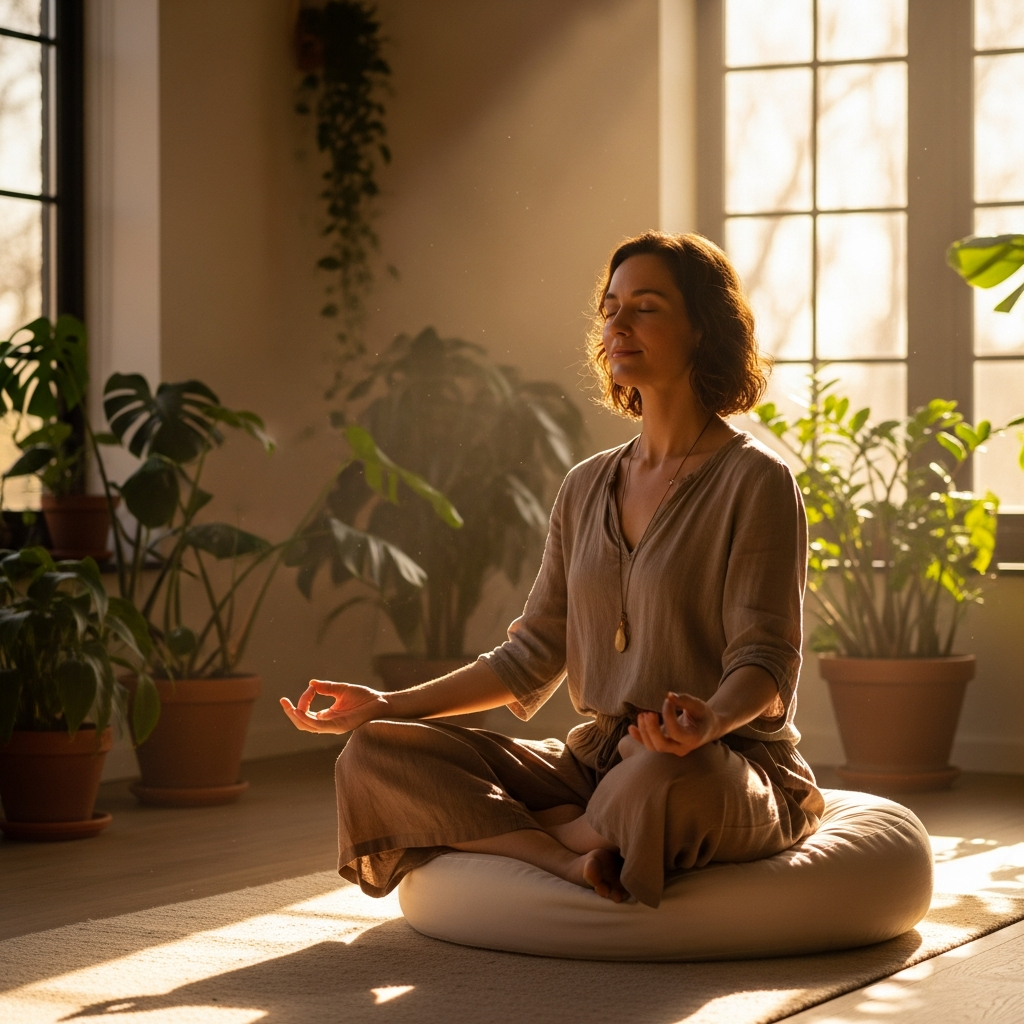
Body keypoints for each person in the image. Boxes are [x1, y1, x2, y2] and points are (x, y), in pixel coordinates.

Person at [280, 230, 824, 908]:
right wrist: (388, 705)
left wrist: (705, 723)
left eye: (646, 308)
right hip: (592, 764)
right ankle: (567, 855)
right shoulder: (585, 485)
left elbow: (766, 662)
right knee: (374, 752)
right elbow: (530, 654)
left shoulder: (757, 481)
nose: (617, 325)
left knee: (657, 779)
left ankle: (543, 830)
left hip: (720, 764)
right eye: (610, 308)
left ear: (702, 329)